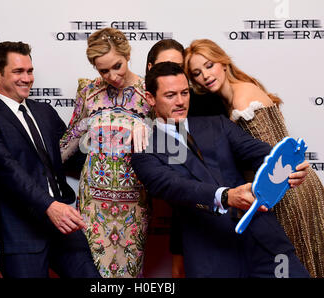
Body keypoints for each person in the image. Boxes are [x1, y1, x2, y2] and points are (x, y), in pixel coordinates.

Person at [184, 39, 324, 278]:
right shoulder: (231, 97)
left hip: (288, 188)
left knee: (302, 262)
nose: (205, 75)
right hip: (283, 186)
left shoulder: (241, 98)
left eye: (209, 65)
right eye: (197, 73)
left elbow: (272, 152)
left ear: (223, 62)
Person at [131, 61, 310, 277]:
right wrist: (226, 196)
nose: (180, 102)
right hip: (212, 255)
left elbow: (260, 153)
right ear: (150, 98)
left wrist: (289, 165)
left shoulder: (218, 124)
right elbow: (173, 186)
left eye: (185, 93)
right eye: (170, 95)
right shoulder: (145, 146)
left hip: (265, 243)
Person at [0, 41, 100, 278]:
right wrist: (48, 206)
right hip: (21, 234)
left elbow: (73, 158)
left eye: (30, 71)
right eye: (18, 72)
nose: (27, 78)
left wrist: (109, 155)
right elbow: (8, 170)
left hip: (64, 224)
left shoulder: (44, 111)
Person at [60, 28, 151, 278]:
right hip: (93, 202)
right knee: (91, 272)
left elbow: (168, 143)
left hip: (134, 200)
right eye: (103, 70)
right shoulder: (89, 91)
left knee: (129, 273)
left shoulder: (149, 93)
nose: (112, 76)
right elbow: (72, 137)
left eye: (117, 66)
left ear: (127, 54)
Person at [145, 39, 229, 278]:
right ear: (151, 69)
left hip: (218, 203)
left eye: (178, 67)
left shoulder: (198, 104)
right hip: (180, 205)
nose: (172, 73)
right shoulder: (147, 113)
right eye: (165, 66)